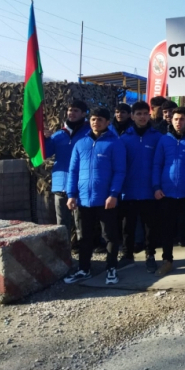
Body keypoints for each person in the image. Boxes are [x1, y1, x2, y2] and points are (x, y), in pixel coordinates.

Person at [63, 108, 126, 285]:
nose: (95, 122)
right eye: (92, 119)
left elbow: (120, 171)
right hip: (83, 200)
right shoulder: (80, 144)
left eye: (99, 120)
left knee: (110, 236)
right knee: (84, 237)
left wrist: (113, 194)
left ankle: (111, 268)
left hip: (106, 200)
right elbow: (73, 171)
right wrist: (71, 195)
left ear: (107, 122)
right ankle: (84, 269)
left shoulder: (115, 143)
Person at [152, 106, 185, 276]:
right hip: (167, 192)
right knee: (167, 229)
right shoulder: (164, 140)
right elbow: (157, 164)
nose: (178, 122)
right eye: (176, 119)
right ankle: (167, 261)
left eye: (182, 119)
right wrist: (156, 187)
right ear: (171, 120)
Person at [120, 101, 163, 273]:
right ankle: (127, 255)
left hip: (150, 190)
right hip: (128, 191)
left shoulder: (157, 137)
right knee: (127, 226)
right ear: (132, 116)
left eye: (145, 113)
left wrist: (157, 186)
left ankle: (150, 255)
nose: (142, 117)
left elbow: (160, 163)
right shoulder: (123, 138)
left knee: (149, 227)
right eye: (138, 114)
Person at [44, 100, 91, 250]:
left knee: (81, 221)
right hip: (60, 183)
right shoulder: (58, 135)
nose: (71, 113)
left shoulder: (90, 132)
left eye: (76, 110)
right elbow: (45, 153)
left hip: (80, 184)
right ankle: (63, 250)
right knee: (62, 221)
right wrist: (44, 139)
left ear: (84, 114)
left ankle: (83, 249)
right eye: (70, 110)